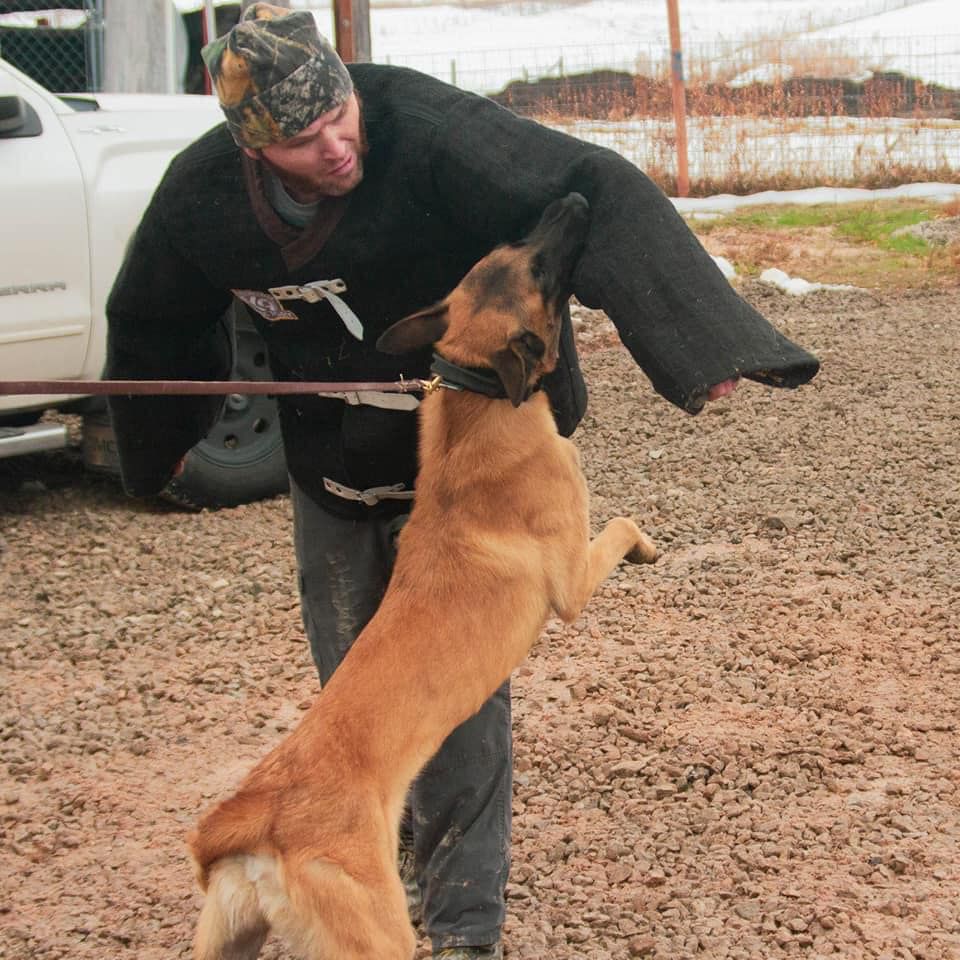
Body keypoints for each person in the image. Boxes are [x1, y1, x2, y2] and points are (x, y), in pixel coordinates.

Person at [105, 5, 819, 957]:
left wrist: (704, 341)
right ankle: (351, 878)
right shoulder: (199, 199)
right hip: (329, 473)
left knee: (463, 701)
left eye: (339, 117)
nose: (336, 144)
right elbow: (149, 314)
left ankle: (463, 927)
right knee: (357, 711)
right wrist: (159, 460)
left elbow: (585, 187)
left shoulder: (425, 130)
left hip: (464, 449)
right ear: (253, 151)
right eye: (304, 141)